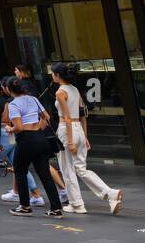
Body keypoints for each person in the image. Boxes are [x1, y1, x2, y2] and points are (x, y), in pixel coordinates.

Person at [52, 63, 123, 215]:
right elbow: (83, 113)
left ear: (58, 76)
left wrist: (70, 141)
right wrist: (84, 136)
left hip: (67, 130)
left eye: (53, 74)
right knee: (81, 169)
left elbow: (67, 118)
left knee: (67, 169)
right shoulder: (75, 90)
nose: (52, 76)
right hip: (78, 129)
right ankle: (110, 194)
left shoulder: (60, 92)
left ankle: (77, 204)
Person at [6, 77, 63, 217]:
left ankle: (25, 206)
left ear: (9, 90)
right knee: (45, 175)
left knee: (20, 171)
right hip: (40, 138)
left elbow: (18, 127)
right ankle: (56, 208)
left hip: (26, 140)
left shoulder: (13, 105)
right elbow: (47, 117)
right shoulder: (33, 99)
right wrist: (38, 128)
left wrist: (9, 129)